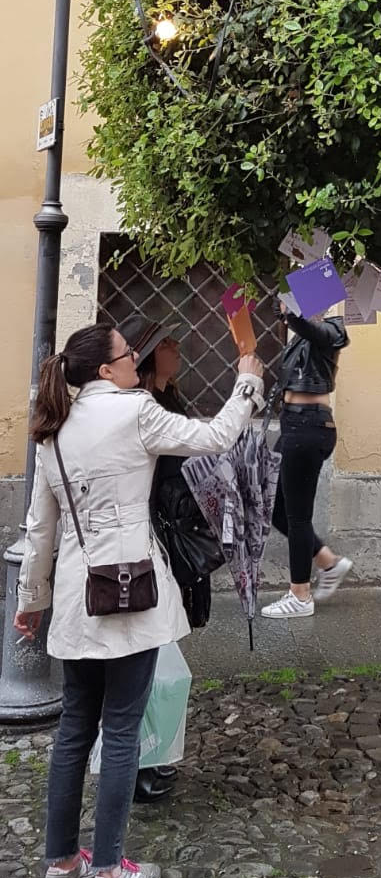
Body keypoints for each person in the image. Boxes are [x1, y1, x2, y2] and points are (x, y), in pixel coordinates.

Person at [14, 322, 264, 878]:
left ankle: (59, 865)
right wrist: (247, 382)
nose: (135, 360)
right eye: (128, 354)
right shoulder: (135, 411)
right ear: (107, 370)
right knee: (121, 729)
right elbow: (217, 435)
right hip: (132, 591)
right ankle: (109, 872)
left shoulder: (54, 429)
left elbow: (39, 529)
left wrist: (31, 601)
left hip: (79, 595)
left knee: (75, 729)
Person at [126, 320, 210, 805]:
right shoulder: (146, 408)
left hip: (172, 531)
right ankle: (142, 761)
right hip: (151, 535)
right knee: (149, 652)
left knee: (162, 651)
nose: (177, 350)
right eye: (167, 345)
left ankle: (151, 755)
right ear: (146, 356)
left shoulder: (170, 399)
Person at [262, 304, 352, 619]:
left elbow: (315, 331)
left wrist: (292, 317)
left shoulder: (334, 328)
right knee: (277, 511)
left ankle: (299, 594)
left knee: (298, 517)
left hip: (308, 427)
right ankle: (328, 561)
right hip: (295, 425)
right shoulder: (302, 337)